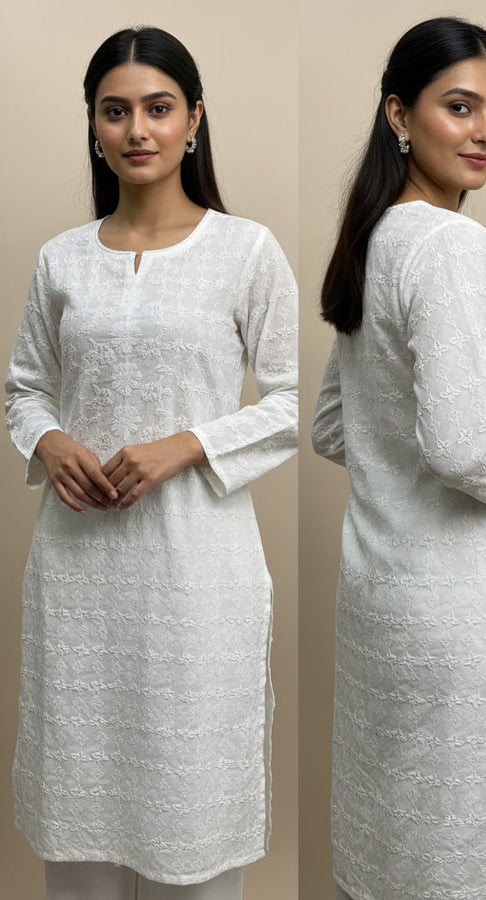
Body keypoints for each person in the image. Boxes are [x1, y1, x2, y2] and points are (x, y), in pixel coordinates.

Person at [4, 26, 298, 900]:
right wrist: (49, 440)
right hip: (79, 571)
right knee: (82, 815)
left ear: (194, 119)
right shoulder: (63, 259)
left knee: (191, 809)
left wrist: (190, 444)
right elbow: (23, 388)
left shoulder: (245, 251)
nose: (139, 129)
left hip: (198, 576)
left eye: (159, 108)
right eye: (116, 110)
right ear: (94, 125)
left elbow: (296, 402)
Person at [312, 17, 486, 900]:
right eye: (459, 107)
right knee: (473, 859)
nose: (484, 134)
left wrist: (399, 454)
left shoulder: (375, 239)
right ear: (400, 113)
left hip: (385, 602)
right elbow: (463, 442)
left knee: (406, 854)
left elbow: (330, 425)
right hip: (465, 610)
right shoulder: (448, 243)